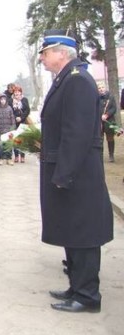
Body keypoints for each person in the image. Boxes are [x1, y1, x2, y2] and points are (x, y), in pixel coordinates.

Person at [38, 29, 113, 313]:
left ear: (61, 52)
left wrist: (64, 173)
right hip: (69, 171)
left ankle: (88, 295)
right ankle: (76, 287)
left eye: (46, 53)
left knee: (83, 233)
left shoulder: (78, 80)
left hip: (78, 174)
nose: (43, 59)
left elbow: (77, 133)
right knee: (72, 231)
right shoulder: (67, 79)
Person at [98, 83, 117, 162]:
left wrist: (107, 115)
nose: (101, 89)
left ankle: (111, 155)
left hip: (109, 121)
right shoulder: (96, 98)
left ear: (105, 88)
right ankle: (100, 156)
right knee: (100, 139)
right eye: (99, 88)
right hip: (99, 122)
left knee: (110, 139)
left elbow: (114, 108)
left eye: (102, 87)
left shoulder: (111, 97)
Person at [11, 85, 30, 163]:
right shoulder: (11, 101)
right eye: (15, 93)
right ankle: (16, 155)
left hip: (23, 121)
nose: (17, 94)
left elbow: (27, 110)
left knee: (23, 139)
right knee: (16, 139)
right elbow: (11, 111)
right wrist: (15, 117)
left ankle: (22, 156)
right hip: (15, 122)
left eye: (18, 92)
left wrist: (21, 117)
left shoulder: (24, 99)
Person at [0, 95, 16, 165]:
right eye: (1, 99)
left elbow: (12, 118)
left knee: (9, 145)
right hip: (0, 129)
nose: (2, 101)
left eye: (4, 99)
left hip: (8, 129)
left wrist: (13, 128)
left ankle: (9, 158)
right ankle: (0, 158)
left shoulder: (9, 108)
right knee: (0, 145)